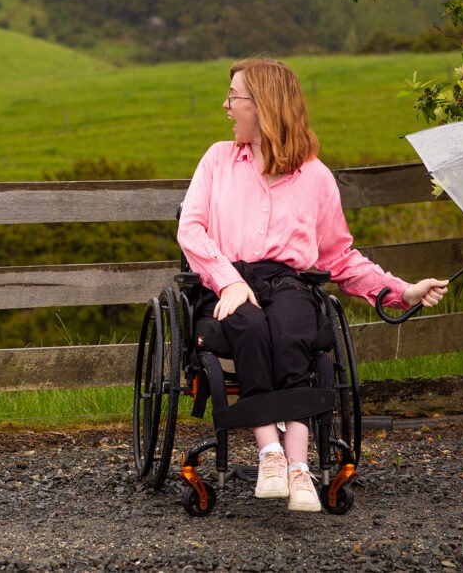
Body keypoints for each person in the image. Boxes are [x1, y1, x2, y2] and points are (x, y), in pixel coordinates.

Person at [177, 57, 448, 512]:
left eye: (234, 97)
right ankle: (270, 455)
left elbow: (338, 257)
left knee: (292, 332)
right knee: (248, 327)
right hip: (227, 280)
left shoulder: (316, 178)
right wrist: (228, 282)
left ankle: (299, 468)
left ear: (264, 105)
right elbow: (192, 230)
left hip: (288, 283)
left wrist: (402, 291)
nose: (225, 106)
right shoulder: (217, 160)